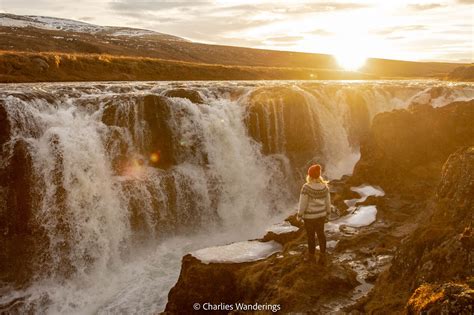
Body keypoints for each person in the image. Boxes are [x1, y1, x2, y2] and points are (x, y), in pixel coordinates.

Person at [297, 164, 331, 265]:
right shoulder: (325, 187)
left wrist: (299, 215)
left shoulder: (306, 187)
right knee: (321, 235)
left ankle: (311, 257)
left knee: (310, 237)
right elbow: (328, 203)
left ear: (309, 175)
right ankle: (323, 256)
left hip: (309, 217)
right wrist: (328, 214)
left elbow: (303, 203)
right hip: (321, 216)